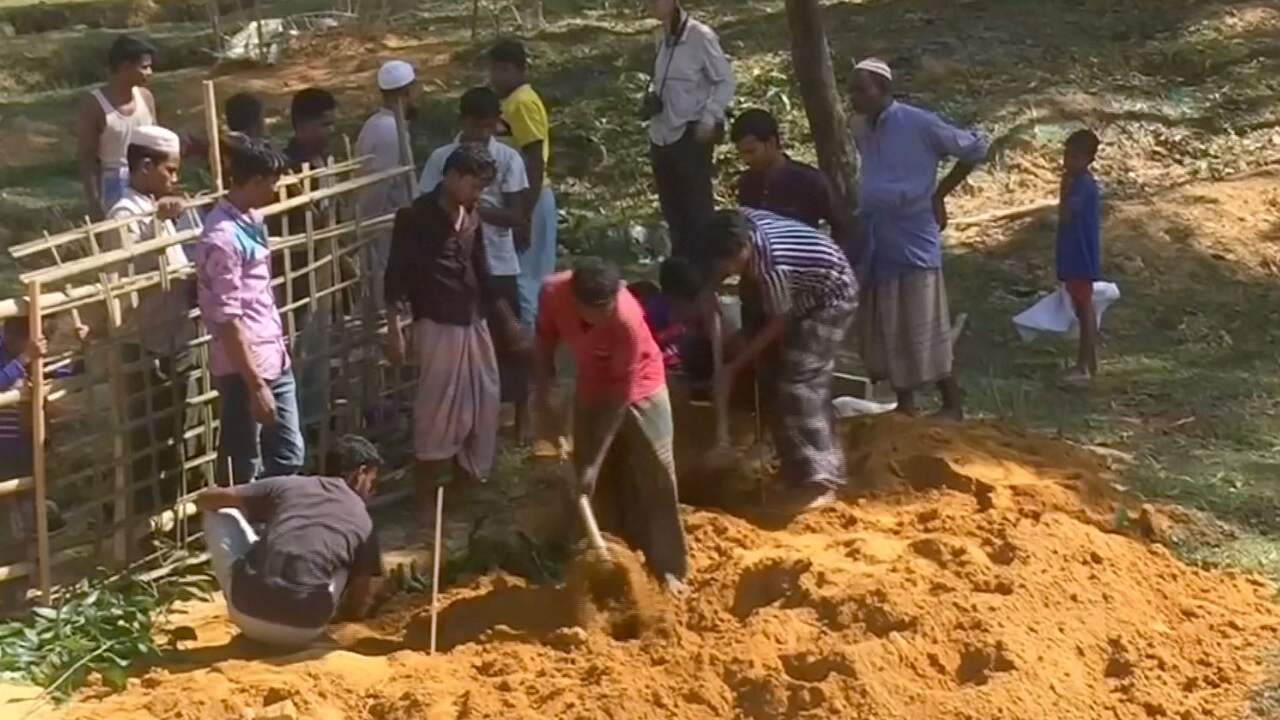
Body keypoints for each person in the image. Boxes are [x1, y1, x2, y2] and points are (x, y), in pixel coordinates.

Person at [533, 259, 688, 591]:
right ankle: (606, 562)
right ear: (577, 303)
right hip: (591, 383)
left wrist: (594, 462)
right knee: (591, 486)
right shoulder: (552, 292)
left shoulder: (627, 319)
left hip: (641, 386)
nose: (606, 317)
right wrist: (545, 395)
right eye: (598, 312)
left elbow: (620, 398)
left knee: (656, 474)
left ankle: (668, 571)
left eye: (609, 307)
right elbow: (544, 342)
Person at [848, 58, 987, 420]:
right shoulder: (861, 127)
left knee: (926, 322)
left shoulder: (918, 122)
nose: (854, 97)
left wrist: (939, 194)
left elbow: (974, 149)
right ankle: (905, 404)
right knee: (890, 322)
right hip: (879, 237)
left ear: (883, 89)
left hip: (913, 235)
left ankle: (952, 405)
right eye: (851, 89)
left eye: (861, 89)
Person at [388, 145, 522, 515]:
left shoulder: (472, 213)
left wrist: (505, 317)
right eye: (474, 186)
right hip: (436, 319)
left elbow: (481, 268)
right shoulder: (415, 217)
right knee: (438, 405)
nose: (477, 195)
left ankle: (468, 480)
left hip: (473, 317)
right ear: (452, 177)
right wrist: (393, 328)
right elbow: (395, 274)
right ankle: (427, 492)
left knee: (485, 395)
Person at [701, 208, 858, 513]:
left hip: (829, 297)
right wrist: (711, 292)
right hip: (793, 293)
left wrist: (735, 366)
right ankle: (791, 467)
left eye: (732, 262)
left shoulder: (773, 268)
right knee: (770, 374)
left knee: (800, 381)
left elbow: (779, 322)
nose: (728, 269)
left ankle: (820, 481)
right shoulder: (737, 220)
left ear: (746, 245)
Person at [196, 435, 387, 646]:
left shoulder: (288, 485)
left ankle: (260, 592)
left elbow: (208, 499)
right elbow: (360, 599)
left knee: (218, 510)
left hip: (245, 613)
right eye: (372, 482)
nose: (373, 491)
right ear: (359, 474)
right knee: (345, 565)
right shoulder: (363, 520)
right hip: (305, 629)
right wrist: (348, 616)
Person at [419, 88, 531, 441]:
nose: (485, 134)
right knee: (466, 345)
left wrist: (475, 208)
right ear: (463, 122)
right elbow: (426, 204)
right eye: (479, 126)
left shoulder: (509, 160)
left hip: (499, 262)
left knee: (510, 339)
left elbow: (516, 215)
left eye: (491, 126)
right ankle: (475, 421)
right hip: (454, 265)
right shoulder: (441, 159)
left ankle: (521, 416)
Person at [104, 125, 203, 512]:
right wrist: (159, 224)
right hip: (147, 342)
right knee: (151, 437)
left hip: (174, 336)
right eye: (170, 171)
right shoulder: (125, 214)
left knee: (177, 431)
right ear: (146, 166)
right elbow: (127, 279)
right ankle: (149, 520)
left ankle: (172, 511)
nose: (175, 180)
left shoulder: (157, 206)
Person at [196, 134, 304, 486]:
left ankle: (270, 520)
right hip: (246, 367)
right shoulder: (223, 239)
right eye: (272, 183)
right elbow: (228, 319)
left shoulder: (251, 221)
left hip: (272, 354)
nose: (276, 189)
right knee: (243, 464)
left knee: (289, 453)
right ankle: (245, 532)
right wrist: (255, 385)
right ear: (255, 181)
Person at [0, 319, 83, 613]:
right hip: (3, 453)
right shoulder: (12, 355)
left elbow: (62, 371)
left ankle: (19, 588)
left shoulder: (31, 354)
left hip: (23, 450)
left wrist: (81, 350)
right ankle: (11, 596)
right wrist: (25, 359)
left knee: (21, 523)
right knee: (9, 525)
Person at [644, 0, 734, 258]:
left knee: (697, 211)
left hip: (689, 134)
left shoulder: (700, 36)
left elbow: (725, 81)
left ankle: (706, 272)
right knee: (673, 212)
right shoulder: (661, 37)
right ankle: (682, 274)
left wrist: (709, 117)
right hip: (661, 135)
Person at [488, 39, 557, 331]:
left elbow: (533, 158)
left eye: (504, 70)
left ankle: (532, 349)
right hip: (520, 199)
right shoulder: (509, 102)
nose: (497, 77)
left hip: (531, 198)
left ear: (521, 70)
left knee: (527, 280)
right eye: (493, 70)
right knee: (523, 277)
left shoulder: (523, 103)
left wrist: (524, 215)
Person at [355, 60, 419, 304]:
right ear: (407, 92)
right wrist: (370, 224)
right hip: (387, 227)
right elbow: (377, 187)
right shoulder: (388, 130)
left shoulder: (378, 124)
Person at [76, 35, 157, 220]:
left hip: (146, 180)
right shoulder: (95, 105)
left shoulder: (146, 98)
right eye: (144, 67)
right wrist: (95, 202)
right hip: (113, 185)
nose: (150, 72)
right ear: (125, 67)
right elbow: (87, 158)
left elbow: (156, 144)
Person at [1056, 129, 1103, 385]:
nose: (1068, 162)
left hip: (1080, 256)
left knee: (1085, 309)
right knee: (1082, 306)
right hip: (1075, 254)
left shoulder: (1082, 185)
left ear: (1088, 159)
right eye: (1066, 155)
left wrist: (1063, 189)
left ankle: (1084, 366)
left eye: (1075, 157)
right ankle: (1089, 363)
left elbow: (1066, 215)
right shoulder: (1081, 183)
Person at [283, 87, 338, 171]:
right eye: (325, 125)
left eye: (332, 124)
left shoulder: (325, 158)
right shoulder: (289, 169)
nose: (332, 130)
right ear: (302, 126)